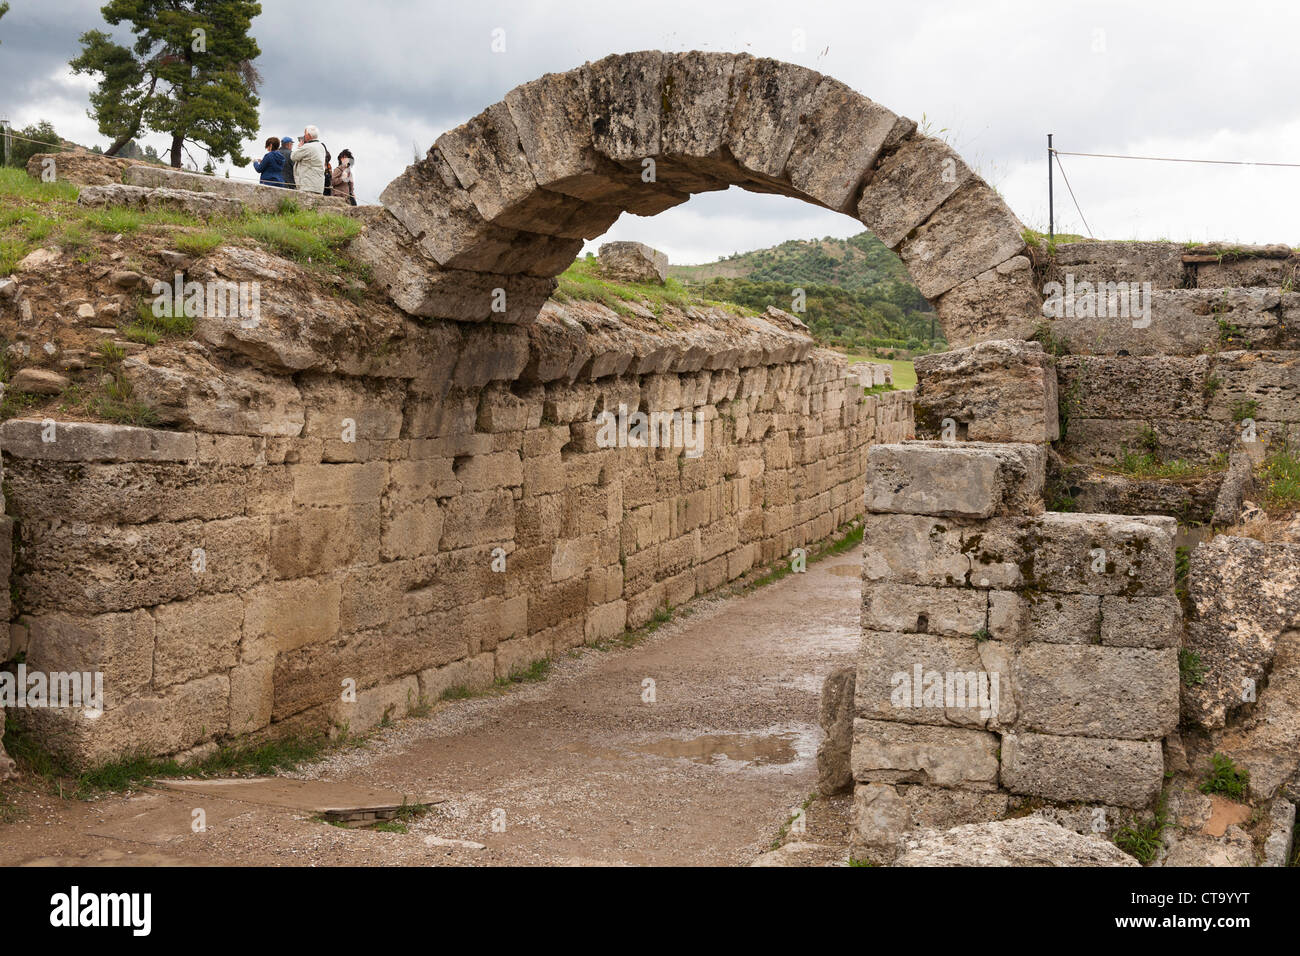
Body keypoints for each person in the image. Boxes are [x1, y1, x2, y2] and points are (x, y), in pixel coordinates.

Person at [290, 126, 328, 195]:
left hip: (308, 185)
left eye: (305, 134)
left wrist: (300, 146)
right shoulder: (321, 147)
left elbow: (293, 156)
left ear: (308, 135)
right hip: (319, 185)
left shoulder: (307, 147)